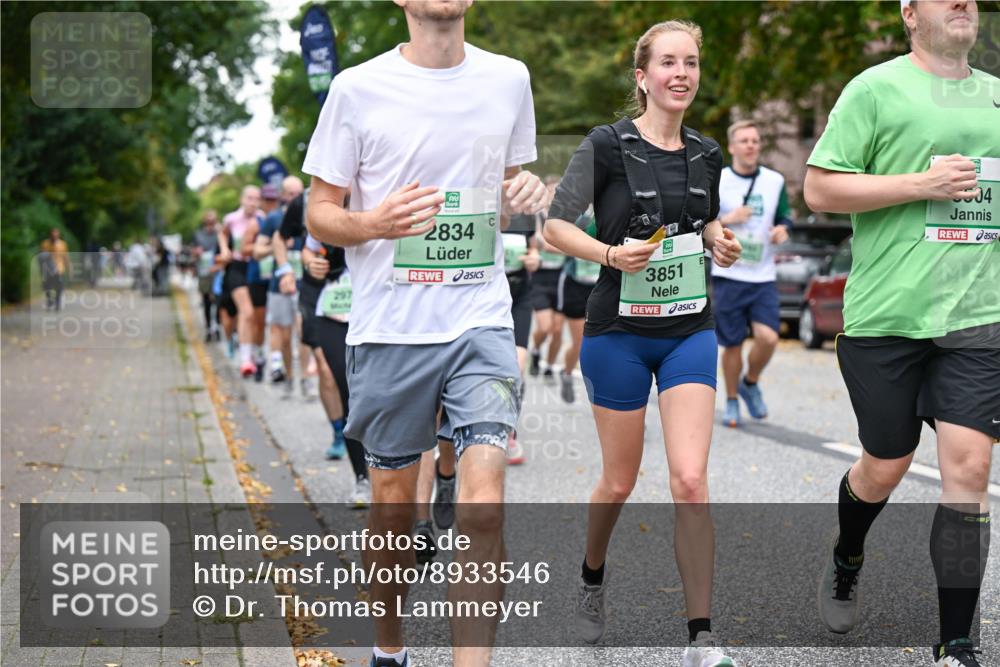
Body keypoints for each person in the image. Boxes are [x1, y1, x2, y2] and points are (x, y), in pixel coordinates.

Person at [303, 0, 546, 664]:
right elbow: (320, 210)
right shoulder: (357, 88)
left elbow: (496, 180)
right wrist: (375, 222)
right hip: (390, 328)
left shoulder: (508, 79)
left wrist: (522, 189)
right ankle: (389, 647)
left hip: (481, 319)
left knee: (484, 506)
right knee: (392, 511)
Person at [542, 19, 742, 666]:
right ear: (642, 76)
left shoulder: (708, 154)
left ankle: (702, 637)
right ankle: (592, 575)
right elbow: (553, 227)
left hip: (689, 329)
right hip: (618, 334)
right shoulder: (606, 145)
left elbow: (703, 217)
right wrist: (607, 251)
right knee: (619, 481)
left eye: (690, 63)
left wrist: (719, 239)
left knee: (689, 479)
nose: (681, 73)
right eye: (668, 63)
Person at [804, 1, 997, 665]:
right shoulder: (875, 89)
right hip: (887, 316)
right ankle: (847, 554)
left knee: (968, 468)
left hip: (978, 315)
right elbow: (820, 190)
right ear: (910, 14)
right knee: (884, 464)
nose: (964, 3)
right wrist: (922, 183)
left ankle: (956, 640)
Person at [711, 119, 793, 427]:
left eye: (755, 141)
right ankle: (732, 401)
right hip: (729, 273)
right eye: (744, 141)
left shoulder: (774, 181)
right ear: (732, 147)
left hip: (762, 274)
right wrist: (730, 218)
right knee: (731, 344)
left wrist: (782, 230)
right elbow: (704, 220)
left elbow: (785, 216)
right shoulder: (717, 180)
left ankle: (750, 381)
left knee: (769, 337)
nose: (750, 146)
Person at [253, 176, 306, 391]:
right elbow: (257, 251)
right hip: (279, 284)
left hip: (305, 283)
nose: (295, 198)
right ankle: (289, 376)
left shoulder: (309, 217)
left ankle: (305, 379)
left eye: (299, 194)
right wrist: (278, 245)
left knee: (303, 331)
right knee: (283, 333)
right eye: (291, 194)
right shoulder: (273, 219)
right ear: (283, 195)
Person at [555, 208, 600, 404]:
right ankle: (567, 373)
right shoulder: (583, 214)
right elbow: (568, 234)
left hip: (601, 285)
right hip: (575, 284)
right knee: (580, 341)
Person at [219, 185, 261, 377]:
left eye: (256, 198)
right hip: (236, 267)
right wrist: (225, 250)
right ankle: (245, 359)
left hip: (256, 269)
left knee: (254, 317)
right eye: (249, 198)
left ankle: (251, 352)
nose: (252, 202)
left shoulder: (262, 218)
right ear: (242, 199)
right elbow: (222, 233)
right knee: (246, 311)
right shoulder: (231, 219)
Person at [529, 181, 566, 381]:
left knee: (558, 329)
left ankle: (550, 366)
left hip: (561, 278)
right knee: (545, 327)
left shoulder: (568, 219)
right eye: (553, 191)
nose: (556, 195)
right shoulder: (537, 216)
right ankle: (535, 349)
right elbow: (540, 242)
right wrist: (569, 247)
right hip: (540, 277)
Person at [244, 184, 281, 381]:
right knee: (259, 323)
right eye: (267, 200)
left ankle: (277, 363)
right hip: (257, 277)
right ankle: (259, 359)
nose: (270, 203)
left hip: (275, 277)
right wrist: (265, 246)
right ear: (261, 201)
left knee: (276, 321)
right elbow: (244, 249)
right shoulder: (255, 223)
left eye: (274, 199)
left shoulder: (283, 220)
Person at [193, 210, 222, 342]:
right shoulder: (198, 234)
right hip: (204, 271)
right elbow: (193, 251)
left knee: (218, 300)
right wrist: (196, 252)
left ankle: (217, 327)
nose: (211, 221)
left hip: (218, 272)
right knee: (206, 302)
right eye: (208, 218)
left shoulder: (219, 234)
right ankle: (208, 328)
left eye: (213, 219)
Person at [39, 228, 69, 310]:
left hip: (59, 268)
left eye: (56, 234)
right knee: (47, 286)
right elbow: (42, 256)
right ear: (50, 235)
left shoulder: (62, 244)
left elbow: (65, 257)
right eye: (53, 234)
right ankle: (49, 300)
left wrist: (69, 268)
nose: (54, 236)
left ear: (58, 235)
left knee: (59, 286)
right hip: (48, 269)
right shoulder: (45, 244)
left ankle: (57, 302)